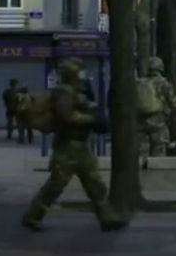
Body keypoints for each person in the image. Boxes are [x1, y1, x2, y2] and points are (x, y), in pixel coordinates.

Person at [22, 57, 125, 232]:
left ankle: (107, 217)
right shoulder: (64, 92)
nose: (83, 74)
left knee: (94, 183)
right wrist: (90, 119)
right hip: (67, 146)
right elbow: (66, 116)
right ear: (72, 73)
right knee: (55, 185)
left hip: (80, 146)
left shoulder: (77, 91)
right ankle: (32, 217)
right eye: (80, 70)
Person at [138, 57, 176, 164]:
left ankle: (142, 170)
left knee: (142, 149)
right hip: (159, 121)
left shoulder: (140, 82)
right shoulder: (163, 83)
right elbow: (173, 102)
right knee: (159, 148)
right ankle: (156, 173)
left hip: (141, 121)